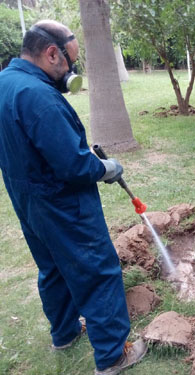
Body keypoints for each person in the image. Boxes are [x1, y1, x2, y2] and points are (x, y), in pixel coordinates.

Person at [0, 20, 147, 375]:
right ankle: (114, 355)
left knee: (52, 266)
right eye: (69, 62)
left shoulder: (6, 82)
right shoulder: (38, 96)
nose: (72, 70)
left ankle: (64, 333)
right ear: (52, 53)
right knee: (97, 269)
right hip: (61, 201)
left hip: (26, 197)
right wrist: (105, 168)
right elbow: (72, 166)